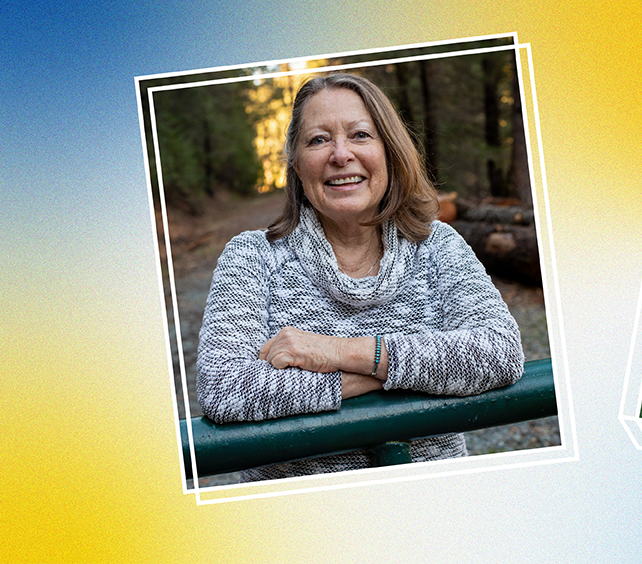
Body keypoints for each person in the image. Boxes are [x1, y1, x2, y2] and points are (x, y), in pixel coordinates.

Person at [197, 73, 524, 482]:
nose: (340, 154)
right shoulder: (252, 256)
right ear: (296, 166)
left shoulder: (436, 244)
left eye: (360, 135)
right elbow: (224, 388)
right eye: (318, 140)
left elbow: (499, 351)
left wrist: (337, 352)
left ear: (389, 151)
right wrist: (389, 376)